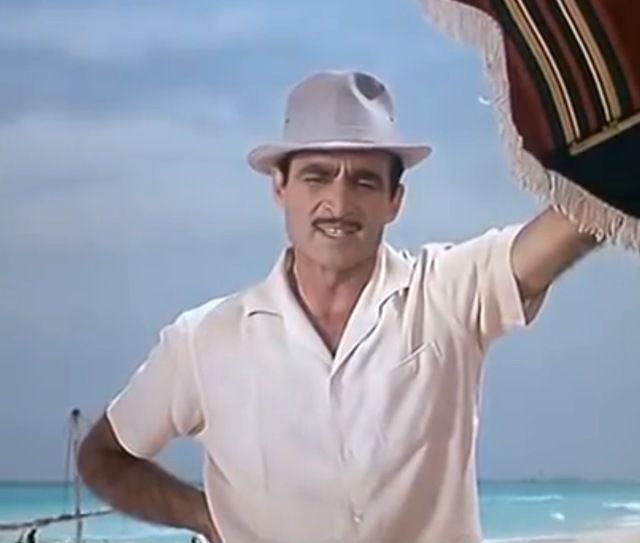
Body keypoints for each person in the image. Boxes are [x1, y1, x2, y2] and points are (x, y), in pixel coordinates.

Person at [77, 71, 600, 543]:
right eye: (317, 175)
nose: (340, 203)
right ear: (280, 187)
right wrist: (202, 514)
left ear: (394, 201)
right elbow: (103, 456)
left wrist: (618, 158)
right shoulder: (204, 340)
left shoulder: (444, 292)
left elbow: (569, 227)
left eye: (364, 181)